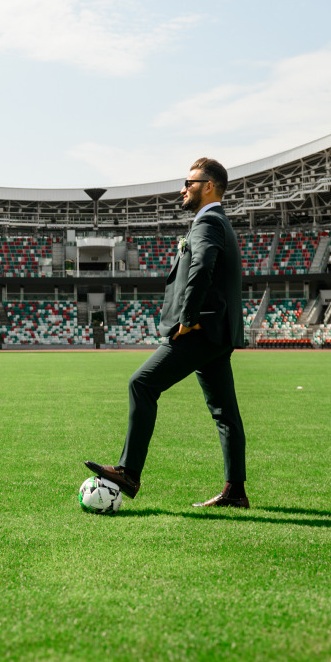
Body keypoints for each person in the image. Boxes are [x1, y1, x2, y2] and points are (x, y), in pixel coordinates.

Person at [86, 158, 249, 508]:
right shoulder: (218, 221)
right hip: (217, 334)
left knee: (141, 384)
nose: (182, 189)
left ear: (208, 186)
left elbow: (203, 266)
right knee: (225, 413)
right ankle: (235, 491)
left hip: (199, 331)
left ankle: (128, 472)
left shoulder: (208, 221)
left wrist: (188, 318)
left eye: (188, 182)